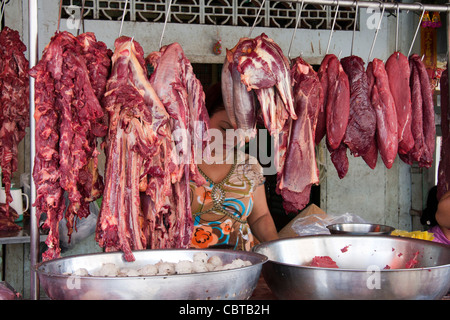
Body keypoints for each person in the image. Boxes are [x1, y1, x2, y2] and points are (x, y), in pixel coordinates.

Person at [189, 82, 279, 250]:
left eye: (241, 133)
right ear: (203, 116)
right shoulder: (177, 165)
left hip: (241, 264)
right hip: (184, 266)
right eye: (224, 128)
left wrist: (277, 251)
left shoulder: (249, 165)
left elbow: (260, 216)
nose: (232, 138)